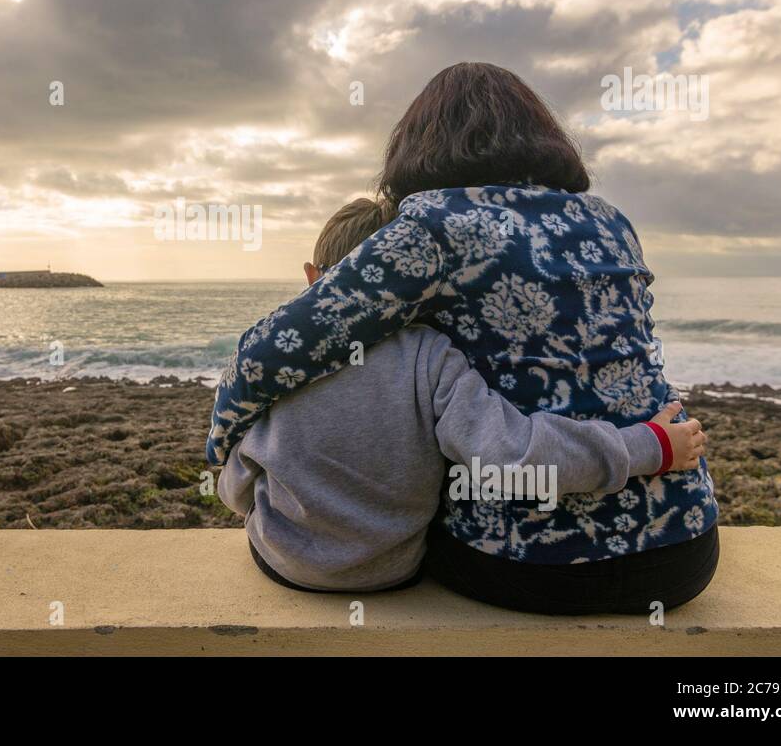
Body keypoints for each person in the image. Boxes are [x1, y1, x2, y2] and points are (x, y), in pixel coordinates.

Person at [209, 62, 719, 613]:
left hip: (534, 565)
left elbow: (272, 353)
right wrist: (653, 445)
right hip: (685, 547)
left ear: (417, 145)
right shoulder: (610, 220)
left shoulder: (431, 224)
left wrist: (224, 443)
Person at [216, 196, 706, 594]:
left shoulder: (280, 358)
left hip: (286, 564)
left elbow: (236, 485)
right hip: (390, 573)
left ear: (312, 278)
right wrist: (649, 445)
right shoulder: (428, 355)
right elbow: (515, 454)